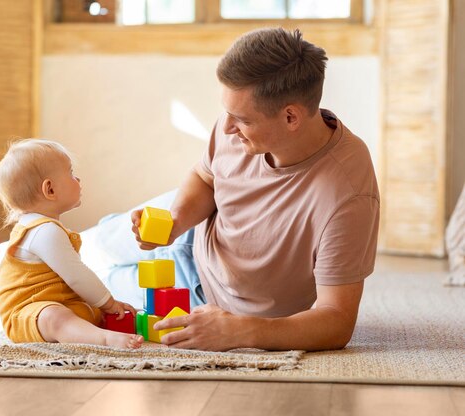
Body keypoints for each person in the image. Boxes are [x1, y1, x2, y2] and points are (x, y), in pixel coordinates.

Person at [124, 27, 380, 351]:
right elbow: (205, 177)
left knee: (91, 293)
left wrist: (241, 332)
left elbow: (337, 320)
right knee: (79, 251)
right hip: (190, 236)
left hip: (208, 298)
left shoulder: (347, 193)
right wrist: (174, 222)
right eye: (228, 113)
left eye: (241, 119)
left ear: (290, 117)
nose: (228, 127)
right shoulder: (234, 125)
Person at [0, 139, 143, 349]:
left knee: (89, 312)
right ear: (50, 189)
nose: (78, 179)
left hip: (61, 302)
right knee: (56, 317)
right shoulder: (44, 231)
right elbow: (78, 276)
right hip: (28, 315)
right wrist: (109, 302)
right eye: (71, 173)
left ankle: (93, 330)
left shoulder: (44, 228)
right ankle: (105, 339)